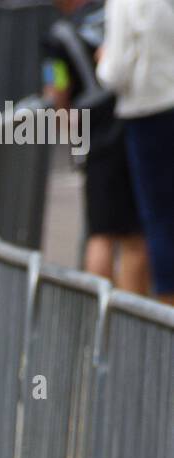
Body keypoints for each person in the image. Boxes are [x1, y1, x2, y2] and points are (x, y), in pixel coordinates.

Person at [42, 1, 150, 293]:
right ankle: (135, 307)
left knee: (101, 231)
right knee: (136, 233)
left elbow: (56, 91)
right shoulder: (113, 12)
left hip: (96, 133)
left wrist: (68, 130)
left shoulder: (58, 36)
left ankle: (102, 313)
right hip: (139, 120)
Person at [97, 0, 174, 304]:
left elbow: (114, 71)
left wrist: (102, 60)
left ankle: (168, 309)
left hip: (147, 111)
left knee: (158, 219)